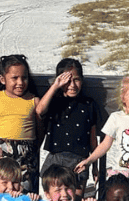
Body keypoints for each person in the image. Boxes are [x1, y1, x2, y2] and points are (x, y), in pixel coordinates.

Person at [75, 73, 129, 189]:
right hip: (121, 178)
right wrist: (89, 160)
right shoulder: (116, 118)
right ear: (123, 98)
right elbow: (105, 144)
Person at [36, 58, 99, 186]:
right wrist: (55, 86)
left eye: (76, 79)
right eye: (67, 80)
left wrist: (95, 166)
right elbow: (39, 110)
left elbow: (93, 139)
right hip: (55, 158)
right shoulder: (54, 102)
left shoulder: (88, 104)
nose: (72, 85)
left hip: (80, 160)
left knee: (75, 200)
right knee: (55, 199)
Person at [0, 54, 41, 193]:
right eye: (14, 78)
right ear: (2, 79)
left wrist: (30, 149)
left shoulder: (33, 101)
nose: (20, 82)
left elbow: (40, 130)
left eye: (24, 77)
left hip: (26, 155)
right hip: (0, 152)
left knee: (24, 192)